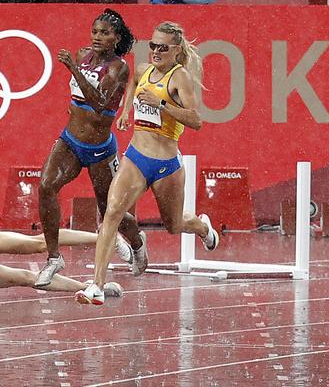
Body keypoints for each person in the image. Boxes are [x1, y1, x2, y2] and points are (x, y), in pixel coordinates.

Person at [75, 21, 220, 306]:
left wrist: (161, 104)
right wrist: (127, 110)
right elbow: (133, 85)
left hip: (166, 164)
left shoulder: (181, 79)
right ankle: (97, 285)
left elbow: (197, 121)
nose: (155, 52)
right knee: (112, 213)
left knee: (174, 225)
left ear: (176, 51)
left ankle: (202, 226)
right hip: (136, 157)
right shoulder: (144, 70)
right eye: (152, 45)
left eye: (162, 48)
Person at [35, 8, 145, 287]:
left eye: (104, 33)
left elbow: (100, 103)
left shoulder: (119, 68)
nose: (97, 37)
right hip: (70, 141)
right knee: (46, 186)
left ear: (116, 38)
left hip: (100, 150)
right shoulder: (83, 54)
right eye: (95, 31)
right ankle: (53, 257)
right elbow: (80, 98)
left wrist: (73, 69)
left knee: (112, 211)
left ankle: (136, 242)